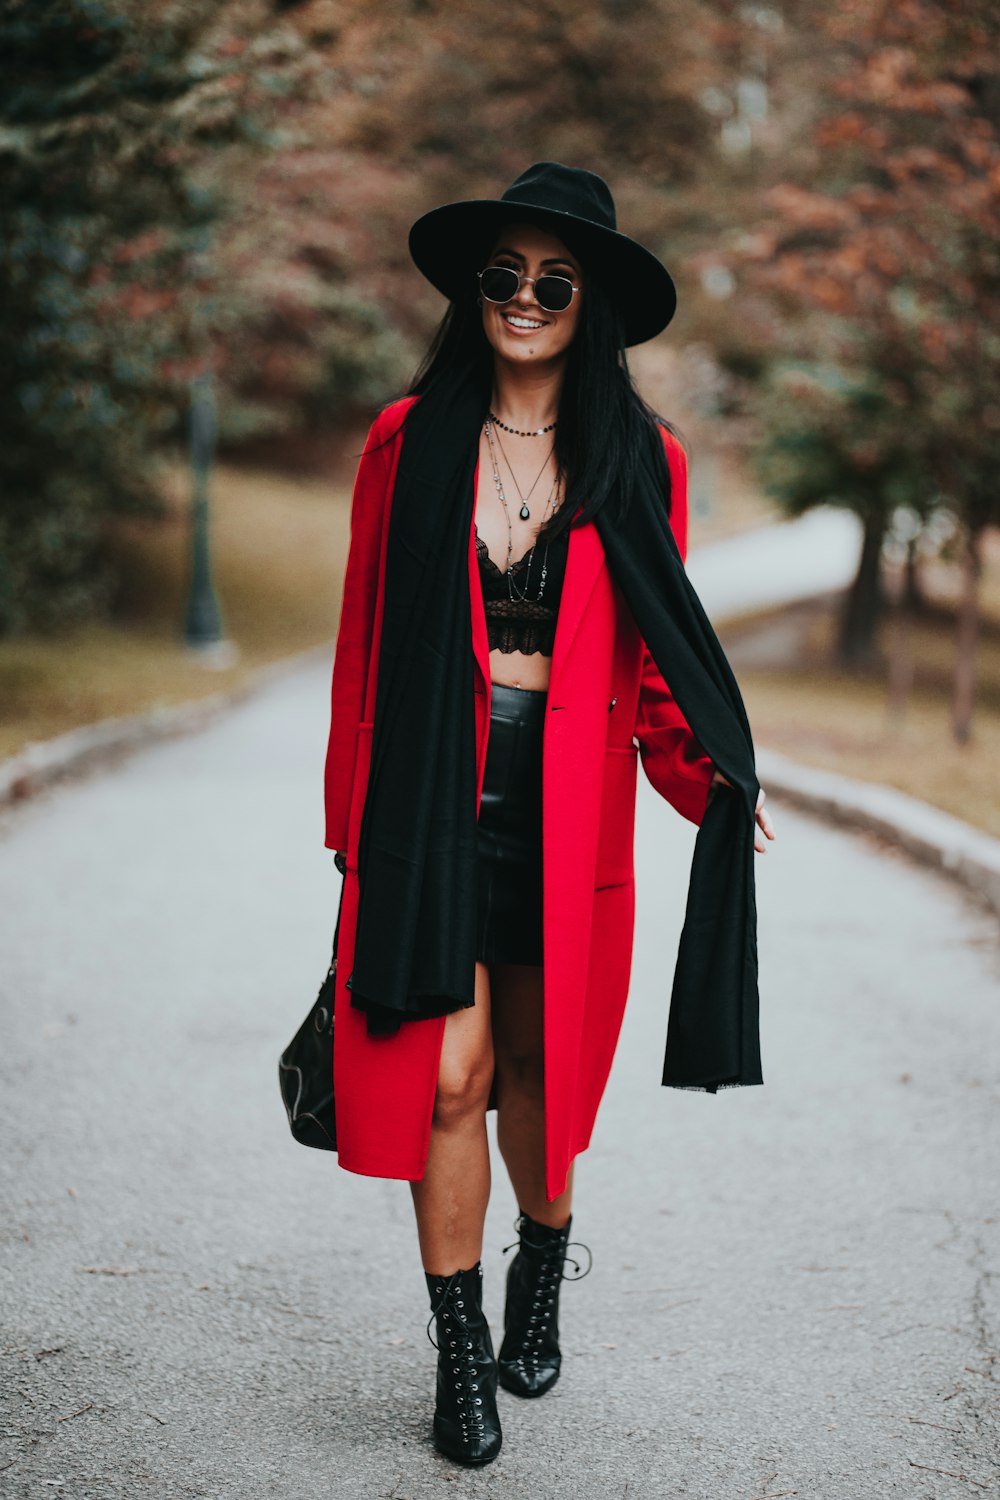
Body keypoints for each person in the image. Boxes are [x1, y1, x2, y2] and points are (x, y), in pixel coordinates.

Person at [322, 161, 775, 1467]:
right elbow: (360, 648)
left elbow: (658, 659)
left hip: (570, 820)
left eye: (554, 282)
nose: (524, 299)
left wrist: (712, 784)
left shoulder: (645, 460)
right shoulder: (406, 443)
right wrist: (353, 834)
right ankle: (460, 1356)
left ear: (593, 304)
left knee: (539, 1081)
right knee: (448, 1076)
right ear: (476, 290)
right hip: (429, 806)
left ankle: (542, 1266)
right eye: (505, 276)